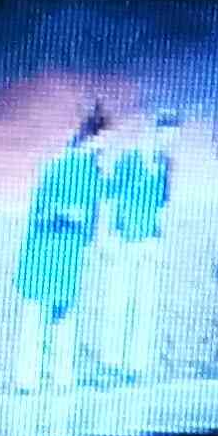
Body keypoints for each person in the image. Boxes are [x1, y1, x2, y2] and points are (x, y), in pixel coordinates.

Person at [13, 105, 109, 399]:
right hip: (45, 252)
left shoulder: (94, 173)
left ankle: (62, 376)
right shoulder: (58, 165)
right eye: (101, 139)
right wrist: (65, 214)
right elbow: (40, 210)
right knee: (35, 315)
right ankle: (28, 379)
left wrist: (88, 238)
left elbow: (92, 217)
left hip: (70, 255)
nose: (103, 146)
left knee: (64, 316)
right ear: (90, 136)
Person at [93, 109, 179, 382]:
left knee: (144, 306)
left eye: (173, 134)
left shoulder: (165, 165)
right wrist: (108, 236)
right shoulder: (129, 160)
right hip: (123, 241)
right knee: (117, 303)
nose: (169, 139)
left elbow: (163, 204)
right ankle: (110, 362)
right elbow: (109, 196)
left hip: (148, 245)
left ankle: (136, 366)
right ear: (156, 131)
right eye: (166, 132)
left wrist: (159, 238)